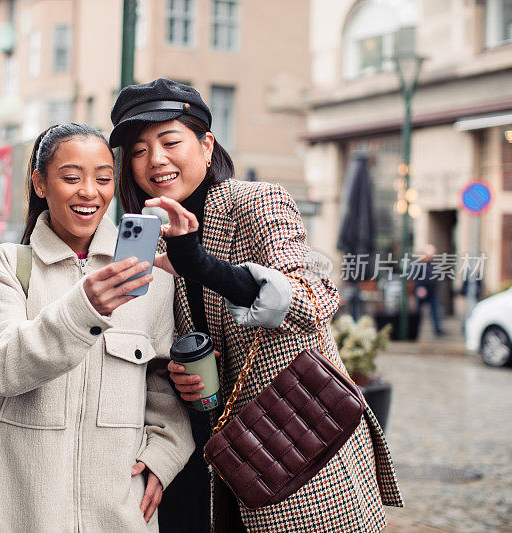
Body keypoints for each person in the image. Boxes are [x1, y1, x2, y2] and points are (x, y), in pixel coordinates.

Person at [110, 78, 404, 532]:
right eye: (139, 151)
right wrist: (183, 376)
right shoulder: (152, 238)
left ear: (207, 146)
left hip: (301, 459)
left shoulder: (257, 202)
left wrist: (203, 266)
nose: (156, 160)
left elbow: (310, 302)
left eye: (170, 141)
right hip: (222, 469)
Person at [0, 123, 193, 532]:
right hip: (22, 512)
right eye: (71, 178)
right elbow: (0, 368)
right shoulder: (9, 265)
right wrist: (84, 308)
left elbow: (164, 384)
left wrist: (164, 456)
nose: (89, 191)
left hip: (120, 513)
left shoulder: (151, 274)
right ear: (40, 183)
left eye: (104, 178)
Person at [414, 244, 445, 336]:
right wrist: (420, 288)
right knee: (418, 312)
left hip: (432, 291)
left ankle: (437, 329)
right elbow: (416, 277)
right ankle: (415, 328)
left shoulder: (433, 264)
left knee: (435, 311)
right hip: (422, 291)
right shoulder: (419, 263)